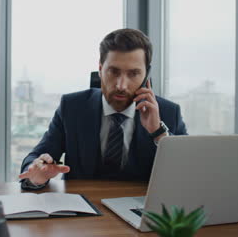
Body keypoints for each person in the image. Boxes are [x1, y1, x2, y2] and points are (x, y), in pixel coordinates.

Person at [19, 28, 187, 189]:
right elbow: (37, 158)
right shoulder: (72, 107)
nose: (121, 85)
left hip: (141, 211)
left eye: (133, 74)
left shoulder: (168, 113)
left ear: (146, 76)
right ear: (100, 70)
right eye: (113, 72)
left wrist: (157, 132)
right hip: (83, 209)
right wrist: (36, 176)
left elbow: (187, 173)